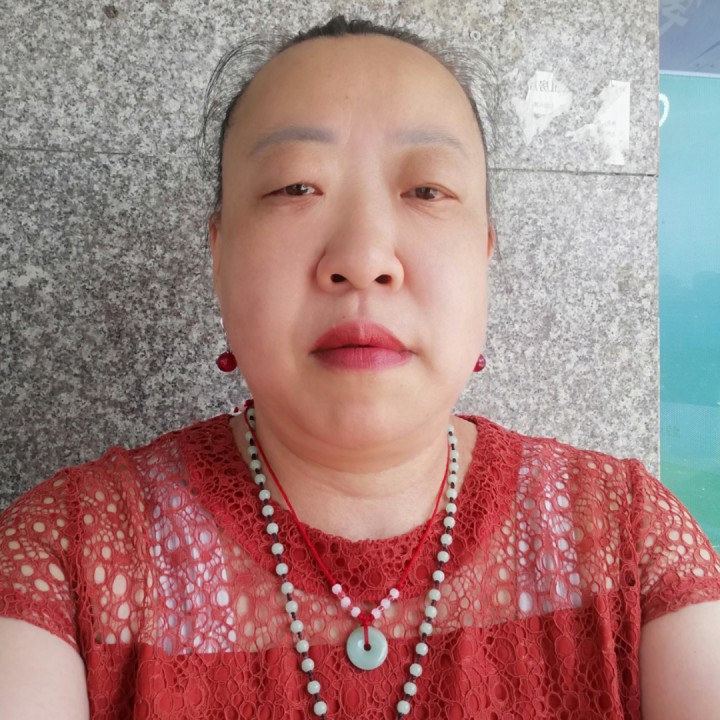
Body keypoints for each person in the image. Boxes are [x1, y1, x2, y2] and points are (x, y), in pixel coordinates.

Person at [1, 14, 719, 720]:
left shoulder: (626, 542)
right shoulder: (67, 560)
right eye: (294, 187)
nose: (364, 259)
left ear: (485, 252)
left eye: (427, 190)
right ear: (219, 256)